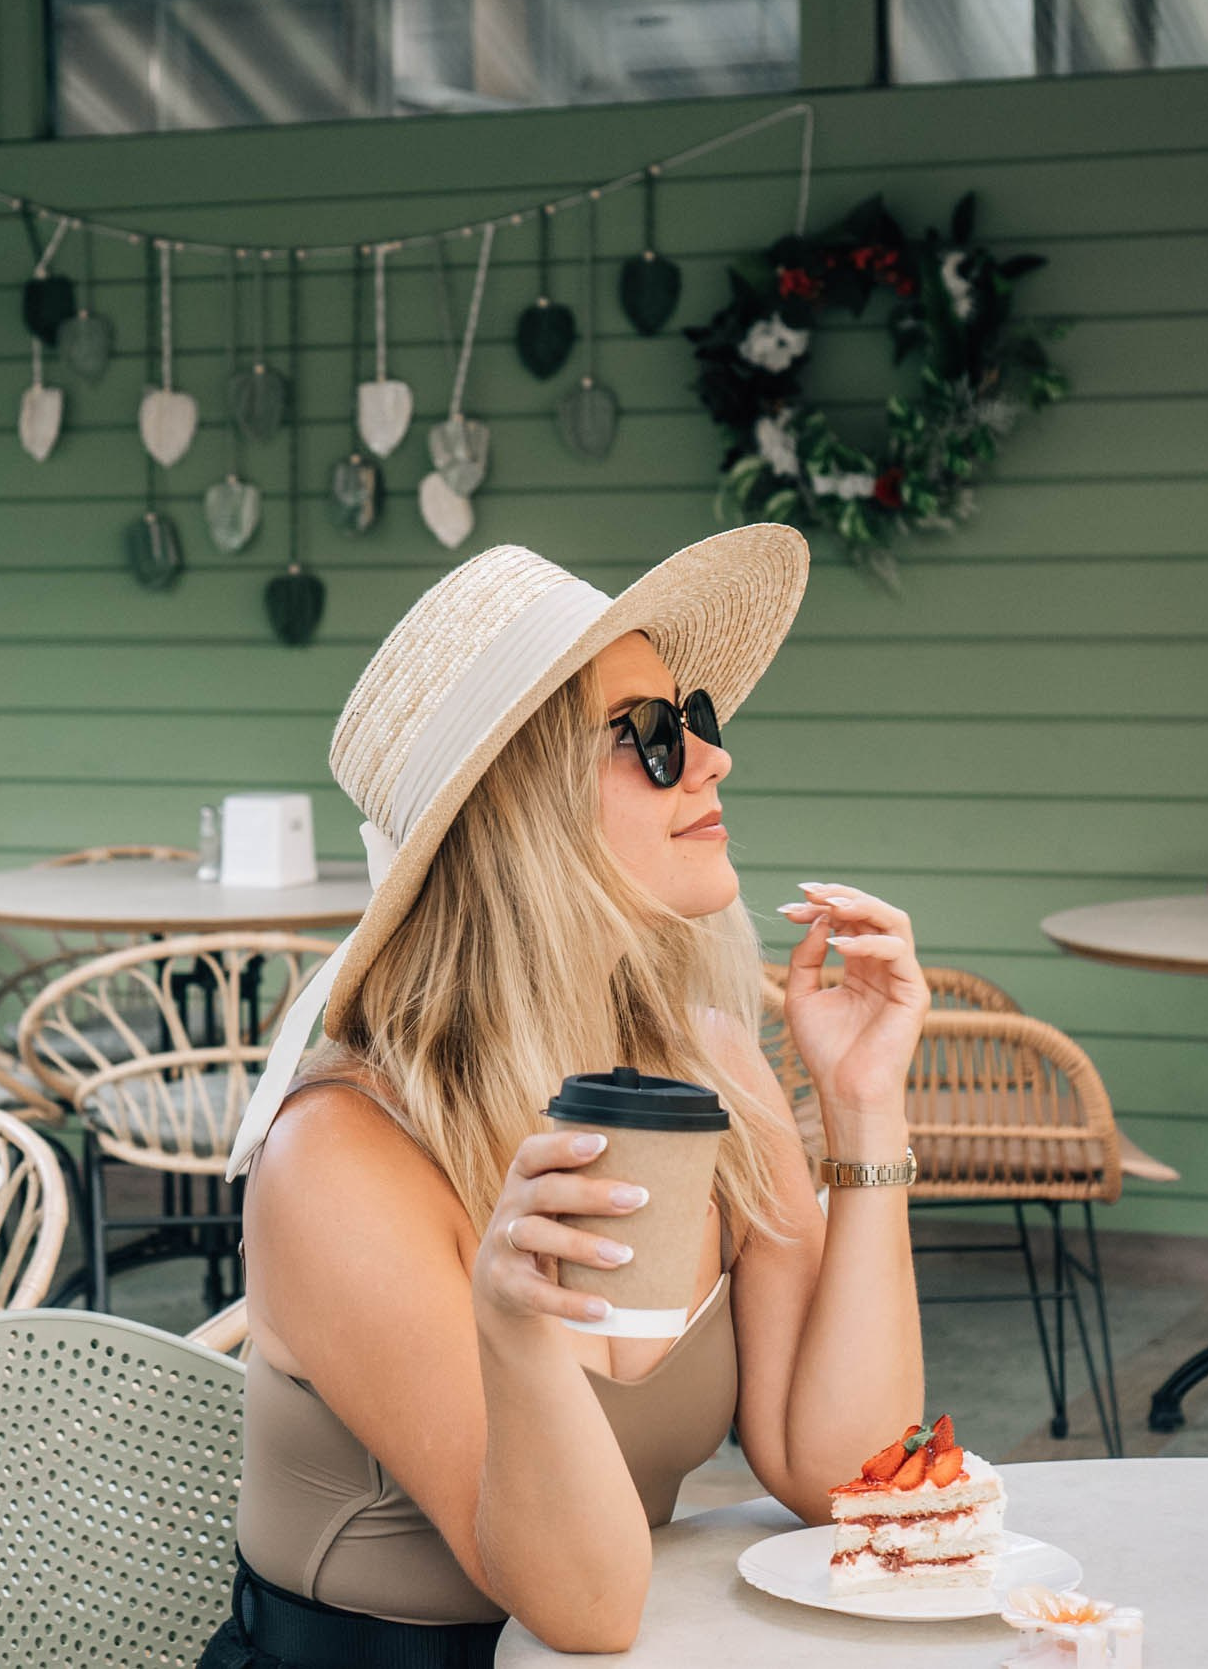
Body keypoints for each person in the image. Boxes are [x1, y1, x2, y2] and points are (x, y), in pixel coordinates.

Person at [199, 527, 927, 1667]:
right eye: (645, 734)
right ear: (515, 814)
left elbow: (849, 1475)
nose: (707, 758)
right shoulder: (344, 1152)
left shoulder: (711, 1071)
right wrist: (517, 1332)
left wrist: (866, 1115)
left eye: (694, 717)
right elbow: (580, 1607)